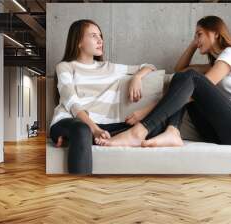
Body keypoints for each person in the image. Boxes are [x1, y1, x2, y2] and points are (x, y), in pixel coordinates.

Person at [99, 15, 231, 147]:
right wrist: (193, 44)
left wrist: (145, 111)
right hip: (222, 132)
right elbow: (180, 71)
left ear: (216, 33)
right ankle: (112, 131)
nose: (196, 39)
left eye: (199, 34)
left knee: (188, 81)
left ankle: (139, 132)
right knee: (180, 81)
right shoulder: (216, 63)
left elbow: (190, 82)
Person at [50, 19, 184, 174]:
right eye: (93, 36)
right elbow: (71, 102)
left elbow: (149, 67)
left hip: (105, 127)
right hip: (71, 121)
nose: (100, 40)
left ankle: (82, 139)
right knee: (81, 130)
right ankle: (80, 189)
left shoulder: (109, 68)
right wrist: (94, 129)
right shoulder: (65, 67)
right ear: (78, 42)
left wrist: (137, 77)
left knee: (157, 125)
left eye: (100, 36)